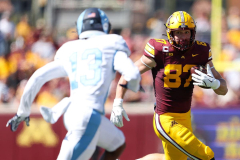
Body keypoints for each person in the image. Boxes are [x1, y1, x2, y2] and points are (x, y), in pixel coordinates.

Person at [6, 8, 141, 160]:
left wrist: (22, 111)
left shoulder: (71, 50)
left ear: (80, 28)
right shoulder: (112, 44)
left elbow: (38, 76)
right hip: (88, 115)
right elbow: (133, 73)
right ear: (105, 26)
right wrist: (135, 86)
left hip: (73, 113)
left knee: (118, 143)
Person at [110, 11, 228, 160]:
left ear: (193, 32)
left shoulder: (201, 51)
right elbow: (130, 73)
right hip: (165, 118)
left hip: (185, 117)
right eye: (178, 32)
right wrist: (118, 101)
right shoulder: (160, 50)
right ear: (170, 33)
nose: (183, 37)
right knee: (206, 155)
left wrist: (215, 83)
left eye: (186, 32)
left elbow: (223, 90)